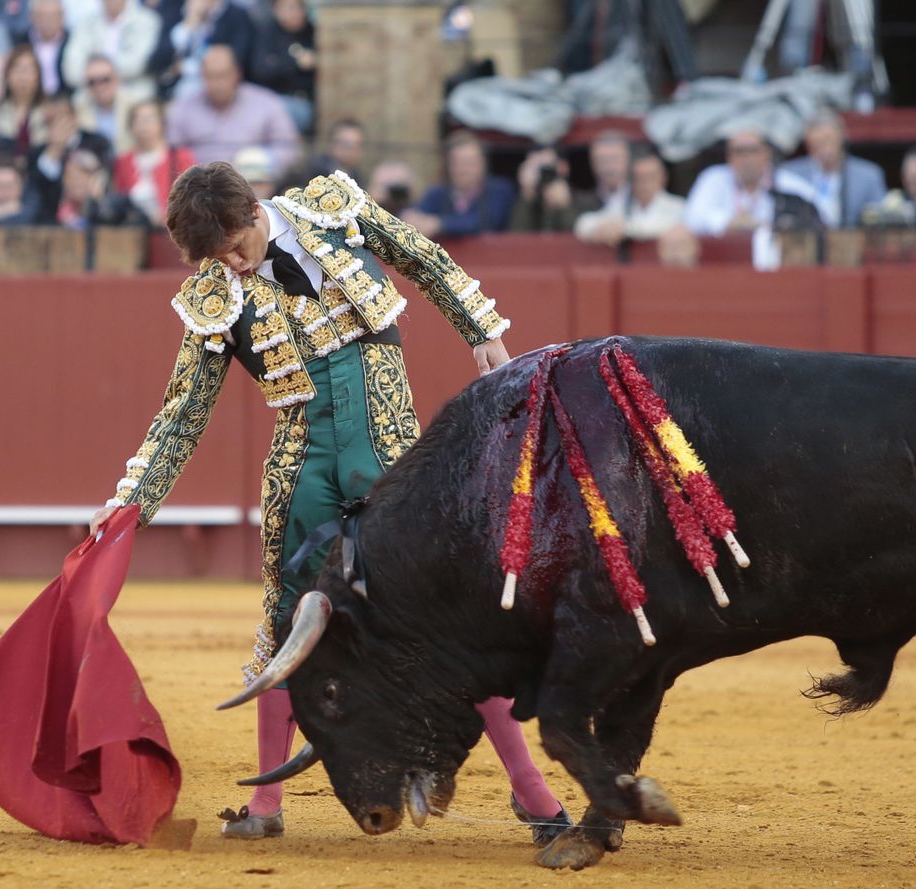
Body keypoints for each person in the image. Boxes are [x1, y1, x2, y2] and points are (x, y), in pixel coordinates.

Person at [86, 162, 571, 842]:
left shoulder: (331, 207)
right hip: (302, 462)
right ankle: (265, 805)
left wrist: (480, 327)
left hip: (393, 457)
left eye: (233, 247)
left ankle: (533, 792)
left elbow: (420, 256)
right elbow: (183, 412)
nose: (230, 265)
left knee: (449, 618)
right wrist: (133, 500)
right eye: (215, 258)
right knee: (287, 622)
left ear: (256, 212)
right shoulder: (212, 297)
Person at [166, 45, 299, 168]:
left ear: (237, 73)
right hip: (198, 185)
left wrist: (261, 160)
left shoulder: (266, 103)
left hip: (252, 184)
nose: (217, 83)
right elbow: (170, 153)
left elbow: (289, 149)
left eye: (222, 75)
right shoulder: (183, 108)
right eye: (210, 76)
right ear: (202, 76)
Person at [775, 111, 887, 228]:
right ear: (808, 144)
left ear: (842, 137)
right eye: (817, 144)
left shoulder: (868, 175)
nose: (824, 149)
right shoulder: (790, 174)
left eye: (828, 141)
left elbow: (880, 221)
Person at [406, 129, 514, 238]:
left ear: (483, 163)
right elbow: (413, 216)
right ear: (448, 165)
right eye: (457, 163)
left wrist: (440, 224)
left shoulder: (499, 190)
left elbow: (485, 223)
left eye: (469, 163)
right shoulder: (438, 193)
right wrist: (410, 218)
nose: (463, 169)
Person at [574, 147, 686, 245]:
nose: (644, 183)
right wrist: (599, 229)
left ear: (663, 178)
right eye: (638, 178)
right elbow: (584, 223)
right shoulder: (621, 203)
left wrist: (625, 230)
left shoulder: (677, 206)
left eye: (650, 177)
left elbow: (664, 227)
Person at [28, 90, 112, 218]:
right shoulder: (37, 152)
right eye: (50, 121)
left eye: (61, 118)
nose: (57, 125)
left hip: (93, 214)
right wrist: (54, 149)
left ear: (74, 117)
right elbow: (39, 189)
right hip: (53, 219)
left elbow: (105, 175)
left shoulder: (97, 142)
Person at [113, 98, 193, 224]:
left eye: (148, 119)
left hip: (169, 231)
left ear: (162, 123)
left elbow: (191, 200)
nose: (143, 125)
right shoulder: (123, 162)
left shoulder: (180, 157)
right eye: (137, 120)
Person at [62, 0, 160, 103]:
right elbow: (71, 70)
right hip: (91, 93)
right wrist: (99, 79)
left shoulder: (146, 20)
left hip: (133, 90)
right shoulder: (86, 24)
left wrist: (99, 71)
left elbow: (138, 64)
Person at [683, 128, 775, 236]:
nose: (746, 158)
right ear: (729, 156)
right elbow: (692, 219)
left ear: (767, 153)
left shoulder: (786, 183)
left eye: (753, 150)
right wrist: (729, 222)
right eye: (739, 151)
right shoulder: (713, 177)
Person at [247, 0, 315, 134]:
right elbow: (261, 71)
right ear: (276, 10)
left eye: (298, 8)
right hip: (269, 99)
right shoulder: (267, 32)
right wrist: (295, 63)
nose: (294, 13)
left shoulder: (312, 33)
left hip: (301, 103)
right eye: (288, 8)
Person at [54, 144, 145, 227]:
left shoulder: (113, 207)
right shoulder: (58, 209)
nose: (76, 182)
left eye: (83, 175)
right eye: (71, 176)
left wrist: (97, 200)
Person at [0, 44, 48, 155]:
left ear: (38, 76)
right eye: (17, 70)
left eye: (28, 70)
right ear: (7, 75)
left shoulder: (49, 111)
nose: (23, 77)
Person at [509, 145, 584, 232]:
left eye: (547, 168)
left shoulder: (583, 201)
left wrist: (564, 206)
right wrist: (527, 193)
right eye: (536, 168)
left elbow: (580, 236)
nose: (543, 175)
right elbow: (516, 237)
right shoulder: (521, 201)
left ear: (564, 168)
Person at [72, 54, 132, 151]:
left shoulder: (133, 105)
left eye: (105, 80)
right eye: (92, 82)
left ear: (117, 79)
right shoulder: (77, 109)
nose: (99, 87)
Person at [20, 0, 70, 98]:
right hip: (33, 99)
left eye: (53, 15)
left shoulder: (72, 41)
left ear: (62, 16)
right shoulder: (21, 43)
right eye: (43, 16)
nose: (48, 21)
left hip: (65, 99)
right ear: (32, 17)